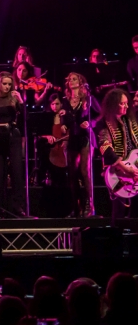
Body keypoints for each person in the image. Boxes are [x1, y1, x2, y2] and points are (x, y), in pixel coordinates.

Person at [95, 89, 138, 223]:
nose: (126, 106)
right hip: (118, 172)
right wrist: (125, 168)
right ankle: (117, 233)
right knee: (118, 211)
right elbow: (105, 148)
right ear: (113, 105)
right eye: (122, 103)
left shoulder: (130, 119)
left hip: (135, 167)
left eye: (126, 103)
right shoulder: (103, 123)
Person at [0, 71, 28, 215]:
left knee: (17, 170)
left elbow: (25, 119)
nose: (7, 86)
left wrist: (21, 102)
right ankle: (0, 207)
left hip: (13, 134)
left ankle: (18, 205)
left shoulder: (14, 98)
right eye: (4, 84)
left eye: (9, 84)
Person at [60, 73, 95, 217]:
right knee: (72, 173)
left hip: (85, 137)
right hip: (73, 138)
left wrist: (89, 123)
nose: (71, 81)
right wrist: (63, 124)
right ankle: (76, 207)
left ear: (80, 82)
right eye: (69, 79)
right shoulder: (65, 101)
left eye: (74, 79)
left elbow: (99, 115)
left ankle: (89, 205)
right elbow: (64, 119)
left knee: (84, 171)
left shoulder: (88, 99)